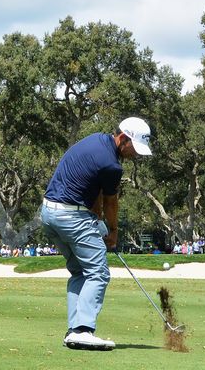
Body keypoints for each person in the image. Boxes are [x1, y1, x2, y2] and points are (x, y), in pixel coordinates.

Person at [40, 117, 152, 351]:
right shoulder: (112, 166)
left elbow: (94, 190)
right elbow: (111, 203)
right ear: (123, 139)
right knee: (98, 273)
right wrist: (112, 232)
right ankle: (83, 330)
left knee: (80, 271)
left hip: (49, 213)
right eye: (134, 148)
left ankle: (74, 331)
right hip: (71, 216)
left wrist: (96, 219)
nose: (137, 155)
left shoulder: (96, 140)